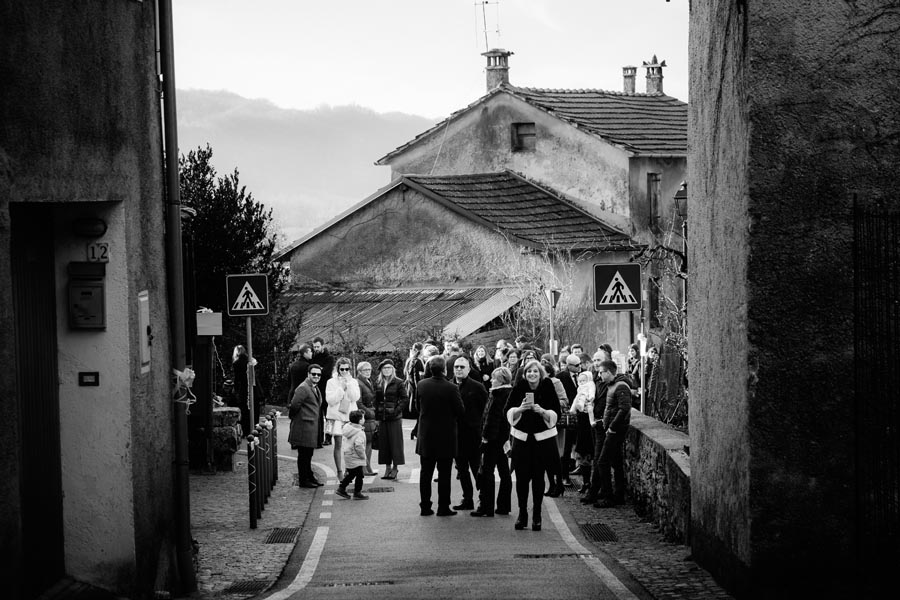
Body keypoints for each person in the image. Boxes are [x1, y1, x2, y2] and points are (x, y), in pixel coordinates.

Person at [505, 359, 559, 531]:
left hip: (542, 440)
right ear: (525, 374)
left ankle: (537, 514)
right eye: (529, 372)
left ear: (540, 373)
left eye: (535, 371)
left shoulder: (548, 386)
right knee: (521, 479)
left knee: (538, 478)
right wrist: (520, 409)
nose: (532, 375)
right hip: (522, 439)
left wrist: (542, 411)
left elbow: (556, 411)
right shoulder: (519, 386)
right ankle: (522, 513)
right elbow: (507, 410)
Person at [415, 356, 465, 516]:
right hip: (446, 435)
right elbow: (460, 410)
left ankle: (425, 506)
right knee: (444, 474)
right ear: (445, 369)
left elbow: (418, 407)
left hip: (426, 434)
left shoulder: (421, 385)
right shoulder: (451, 388)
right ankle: (443, 506)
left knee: (426, 473)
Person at [472, 367, 513, 517]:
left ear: (501, 380)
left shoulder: (498, 394)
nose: (491, 380)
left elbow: (492, 419)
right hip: (502, 439)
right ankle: (503, 505)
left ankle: (486, 507)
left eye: (494, 378)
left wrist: (485, 438)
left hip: (493, 439)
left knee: (487, 472)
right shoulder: (507, 393)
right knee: (504, 472)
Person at [451, 356, 488, 512]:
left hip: (473, 435)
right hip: (456, 435)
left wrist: (481, 430)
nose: (459, 369)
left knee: (476, 469)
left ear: (468, 369)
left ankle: (483, 500)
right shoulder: (449, 385)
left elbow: (485, 410)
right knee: (462, 469)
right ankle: (467, 499)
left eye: (462, 367)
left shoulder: (477, 387)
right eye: (456, 367)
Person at [594, 360, 632, 507]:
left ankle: (608, 496)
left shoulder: (620, 386)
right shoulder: (612, 386)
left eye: (601, 372)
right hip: (612, 428)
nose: (600, 375)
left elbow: (624, 408)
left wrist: (612, 427)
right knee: (616, 462)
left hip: (616, 430)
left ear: (609, 372)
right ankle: (618, 496)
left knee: (603, 462)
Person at [288, 365, 324, 488]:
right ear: (308, 374)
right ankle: (304, 480)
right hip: (304, 426)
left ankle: (309, 476)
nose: (316, 376)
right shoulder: (303, 387)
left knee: (308, 454)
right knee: (303, 455)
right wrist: (297, 419)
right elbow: (294, 405)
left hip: (311, 426)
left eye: (318, 375)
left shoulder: (314, 387)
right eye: (313, 374)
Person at [325, 357, 360, 477]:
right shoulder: (331, 382)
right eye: (342, 369)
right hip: (337, 417)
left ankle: (349, 469)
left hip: (350, 418)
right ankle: (339, 470)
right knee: (338, 445)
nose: (344, 371)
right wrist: (341, 388)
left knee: (350, 446)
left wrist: (348, 385)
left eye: (347, 369)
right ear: (338, 369)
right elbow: (330, 400)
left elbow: (355, 398)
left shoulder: (353, 381)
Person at [540, 354, 569, 498]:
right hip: (542, 423)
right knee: (546, 456)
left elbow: (565, 401)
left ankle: (559, 485)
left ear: (549, 373)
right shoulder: (538, 384)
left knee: (556, 455)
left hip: (555, 423)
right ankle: (552, 484)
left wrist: (552, 403)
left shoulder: (555, 382)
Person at [374, 359, 408, 480]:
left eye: (389, 368)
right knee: (384, 444)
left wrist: (396, 411)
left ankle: (395, 467)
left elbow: (405, 399)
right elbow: (376, 400)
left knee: (395, 443)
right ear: (381, 370)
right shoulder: (378, 382)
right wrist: (376, 416)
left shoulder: (398, 382)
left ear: (393, 369)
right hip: (382, 418)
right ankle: (387, 467)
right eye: (384, 368)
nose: (387, 370)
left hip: (394, 418)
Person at [335, 410, 369, 500]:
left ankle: (342, 488)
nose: (364, 419)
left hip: (348, 455)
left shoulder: (348, 428)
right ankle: (356, 492)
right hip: (356, 457)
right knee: (359, 475)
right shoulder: (359, 432)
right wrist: (363, 456)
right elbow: (358, 446)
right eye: (363, 417)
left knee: (352, 474)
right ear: (360, 421)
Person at [310, 337, 335, 447]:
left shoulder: (329, 358)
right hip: (316, 389)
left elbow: (326, 372)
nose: (316, 349)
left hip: (326, 389)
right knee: (318, 414)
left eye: (318, 346)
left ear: (322, 346)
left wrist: (318, 369)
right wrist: (320, 369)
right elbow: (312, 370)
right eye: (314, 347)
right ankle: (318, 437)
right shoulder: (313, 357)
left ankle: (328, 437)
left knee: (328, 415)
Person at [356, 361, 378, 475]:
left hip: (369, 417)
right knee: (365, 444)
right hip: (365, 417)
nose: (368, 372)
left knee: (369, 443)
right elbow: (359, 403)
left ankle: (367, 467)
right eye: (365, 370)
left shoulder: (367, 381)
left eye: (369, 369)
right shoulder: (359, 383)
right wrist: (371, 413)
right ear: (359, 371)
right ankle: (364, 468)